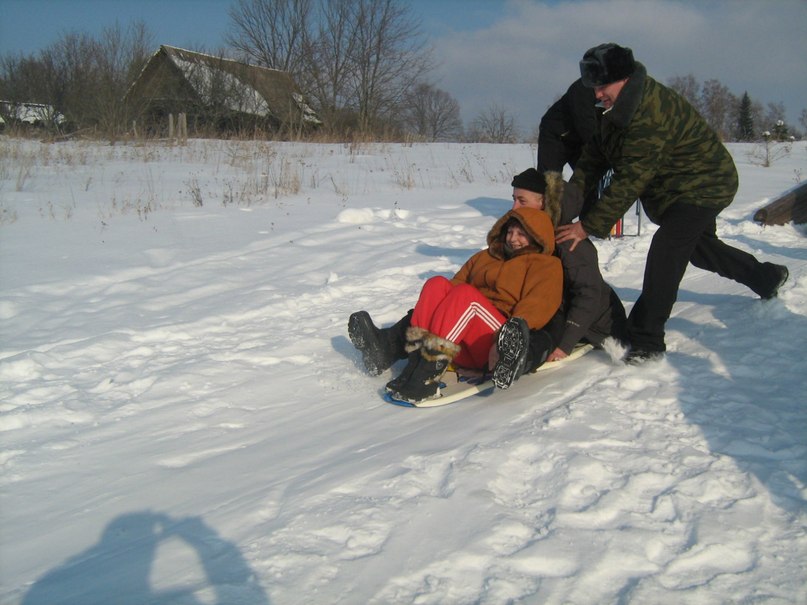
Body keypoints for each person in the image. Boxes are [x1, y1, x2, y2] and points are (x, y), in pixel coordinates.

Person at [556, 43, 790, 364]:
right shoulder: (613, 111)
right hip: (674, 190)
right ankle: (766, 277)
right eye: (594, 87)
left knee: (668, 248)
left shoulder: (648, 113)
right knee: (700, 249)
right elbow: (592, 161)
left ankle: (646, 339)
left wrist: (588, 226)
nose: (597, 94)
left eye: (602, 86)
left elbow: (629, 180)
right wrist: (563, 212)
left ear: (624, 79)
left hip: (705, 183)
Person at [349, 204, 563, 404]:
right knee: (437, 284)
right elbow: (451, 288)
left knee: (465, 295)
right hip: (461, 337)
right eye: (510, 232)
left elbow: (537, 307)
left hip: (492, 342)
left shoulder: (546, 265)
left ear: (536, 237)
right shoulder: (485, 257)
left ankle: (428, 374)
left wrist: (507, 343)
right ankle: (417, 363)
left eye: (521, 234)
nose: (513, 239)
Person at [510, 168, 627, 361]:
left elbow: (588, 294)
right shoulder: (527, 234)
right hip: (556, 311)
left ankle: (519, 357)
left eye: (522, 201)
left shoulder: (567, 240)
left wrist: (565, 344)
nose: (514, 208)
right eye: (514, 199)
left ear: (543, 203)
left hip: (595, 326)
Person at [536, 78, 597, 174]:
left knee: (589, 177)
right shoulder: (582, 88)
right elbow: (586, 126)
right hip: (555, 135)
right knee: (550, 181)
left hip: (578, 139)